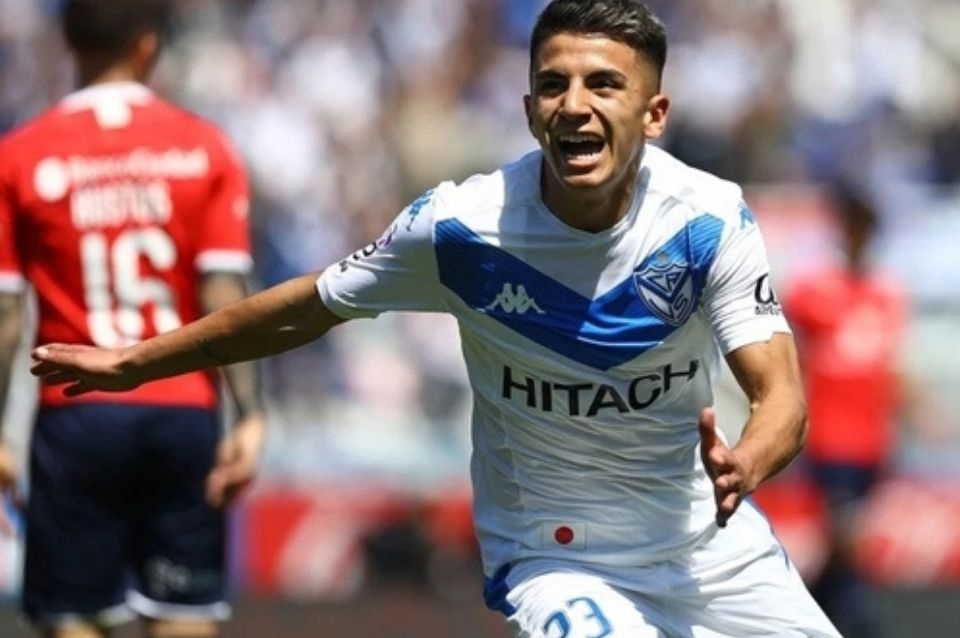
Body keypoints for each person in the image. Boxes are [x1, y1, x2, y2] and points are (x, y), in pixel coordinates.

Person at [28, 1, 839, 636]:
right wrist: (138, 361)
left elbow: (782, 398)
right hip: (560, 558)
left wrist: (746, 462)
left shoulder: (708, 220)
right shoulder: (461, 228)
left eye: (603, 85)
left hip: (707, 548)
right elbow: (303, 310)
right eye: (553, 85)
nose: (574, 105)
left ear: (654, 113)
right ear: (528, 107)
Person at [0, 1, 266, 637]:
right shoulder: (204, 147)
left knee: (73, 618)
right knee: (183, 614)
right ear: (148, 44)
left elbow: (6, 313)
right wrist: (250, 414)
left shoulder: (20, 155)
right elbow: (224, 295)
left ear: (67, 40)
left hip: (76, 414)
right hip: (183, 412)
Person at [782, 183, 908, 637]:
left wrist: (910, 419)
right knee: (844, 534)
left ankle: (803, 614)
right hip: (829, 436)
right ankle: (856, 624)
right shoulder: (813, 291)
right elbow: (784, 358)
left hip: (872, 440)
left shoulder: (886, 294)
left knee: (847, 543)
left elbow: (889, 370)